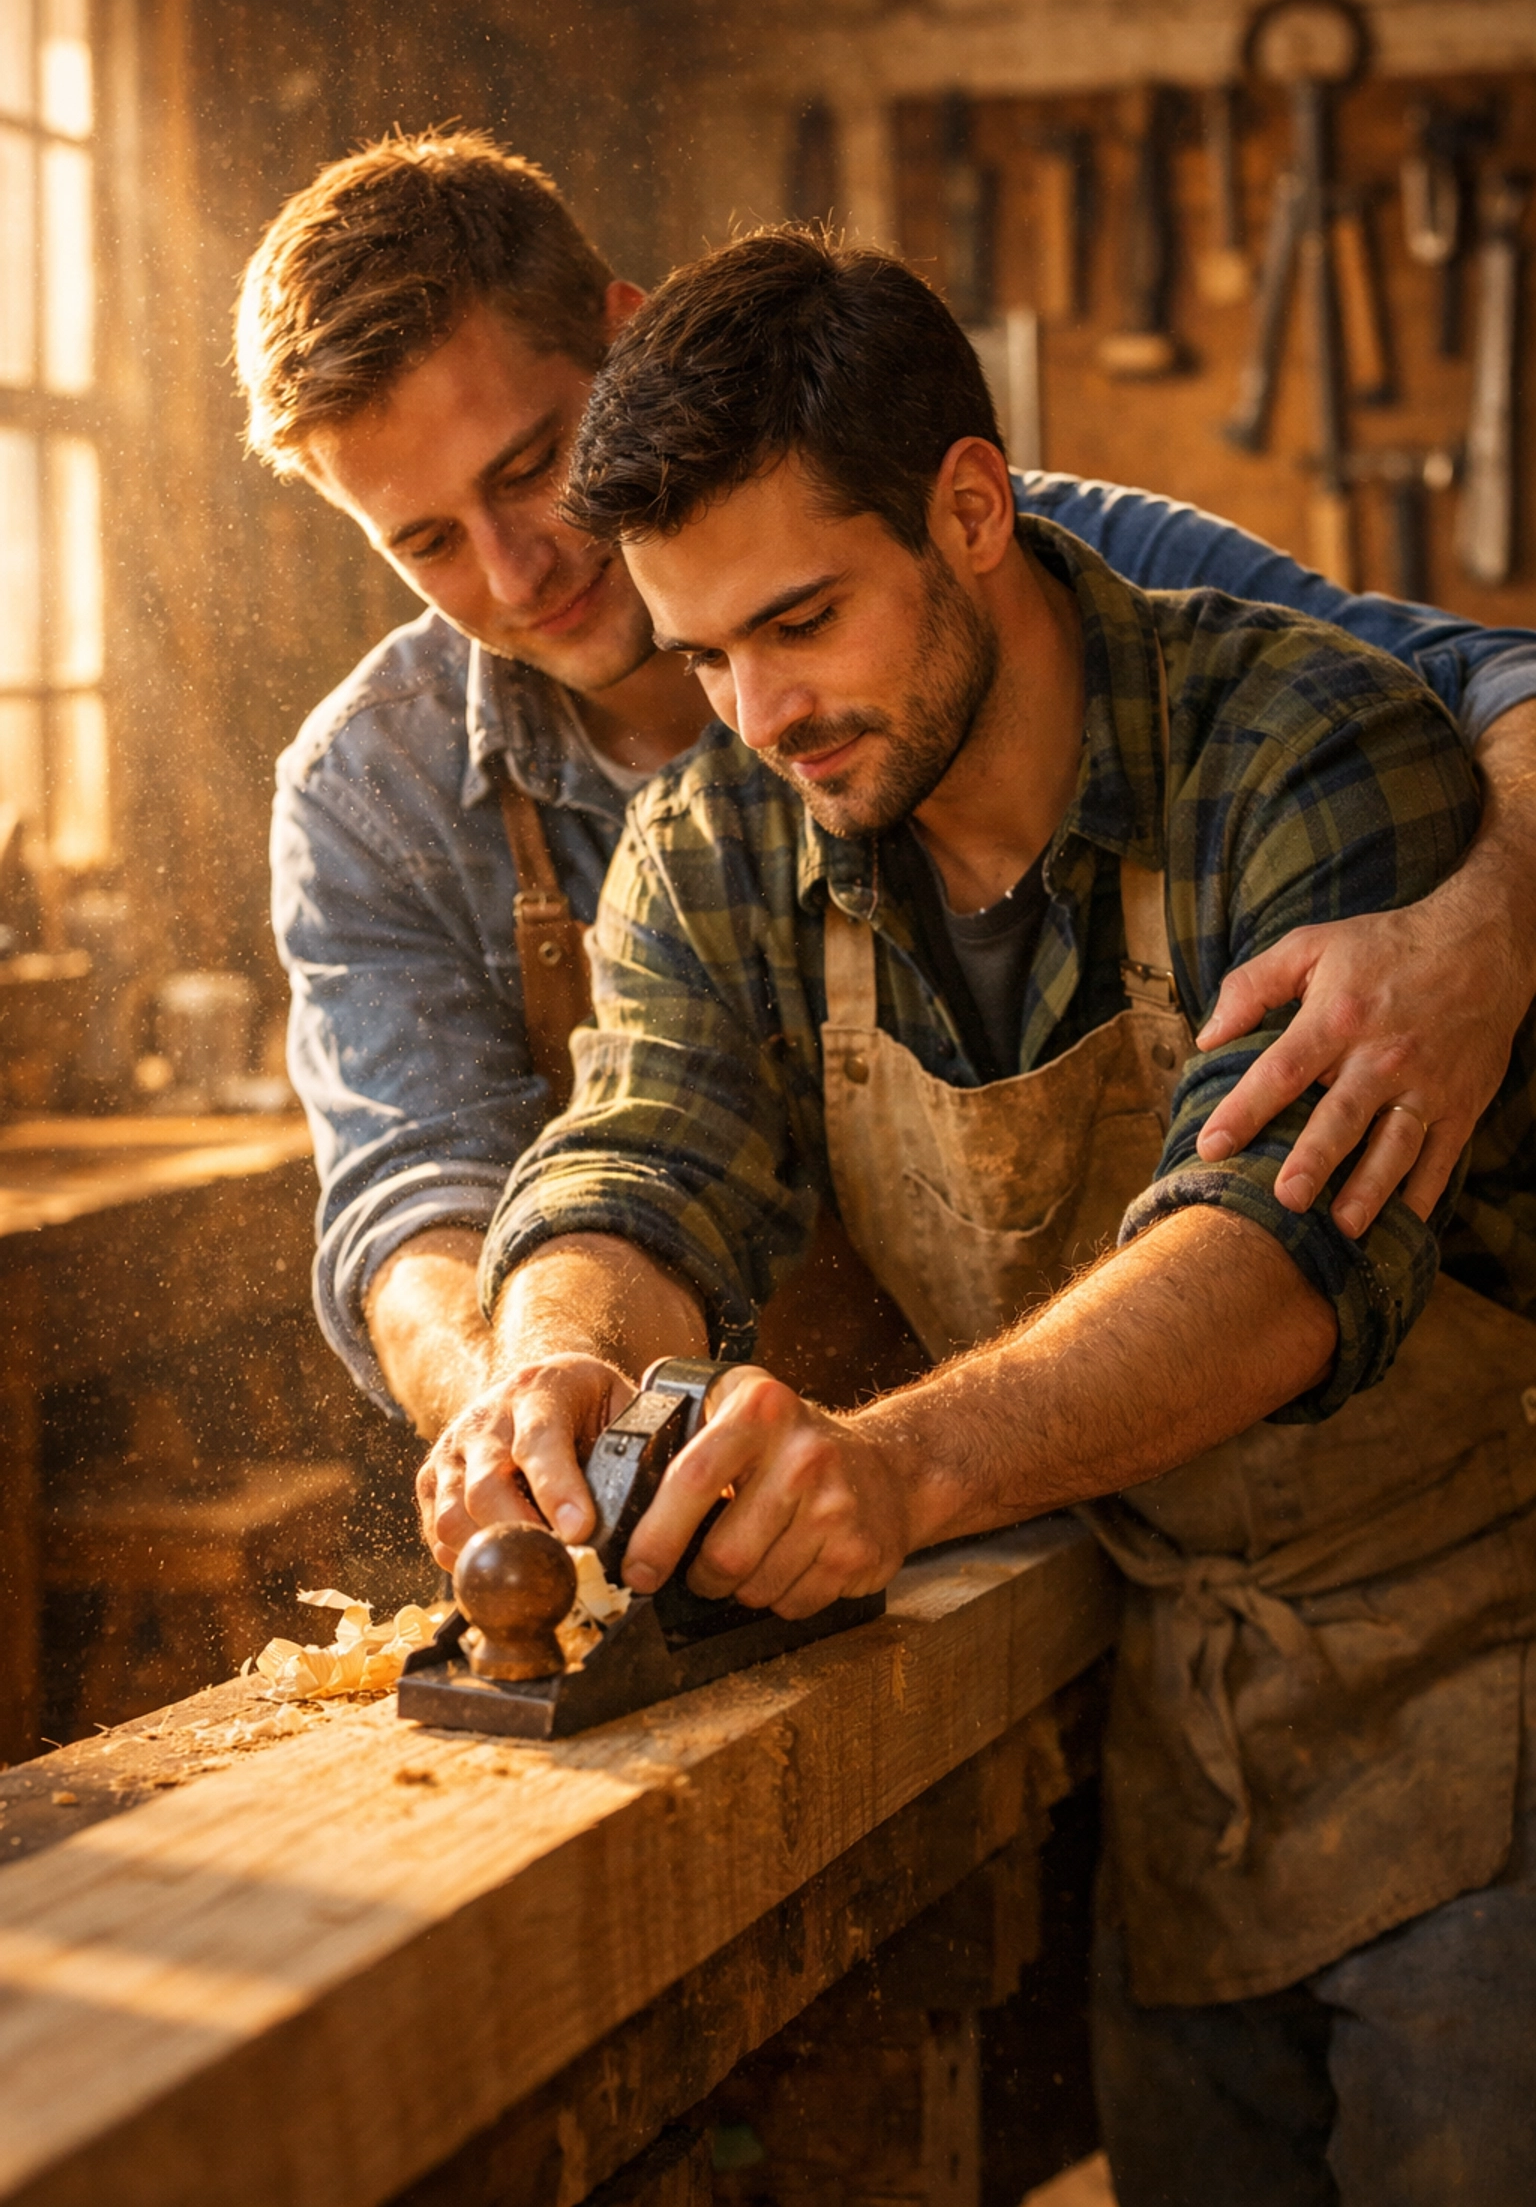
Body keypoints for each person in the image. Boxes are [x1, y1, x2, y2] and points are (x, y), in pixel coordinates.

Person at [433, 229, 1536, 2206]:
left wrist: (895, 1466)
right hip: (1177, 1744)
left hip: (1494, 1685)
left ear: (966, 507)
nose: (758, 712)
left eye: (802, 623)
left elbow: (1280, 1258)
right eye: (704, 655)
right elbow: (641, 1149)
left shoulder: (1301, 745)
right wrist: (561, 1356)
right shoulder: (728, 835)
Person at [240, 130, 1536, 1450]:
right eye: (429, 542)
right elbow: (517, 1171)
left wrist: (1493, 909)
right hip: (918, 1497)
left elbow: (1468, 688)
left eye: (530, 470)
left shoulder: (1072, 579)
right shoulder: (574, 820)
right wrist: (533, 1403)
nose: (518, 572)